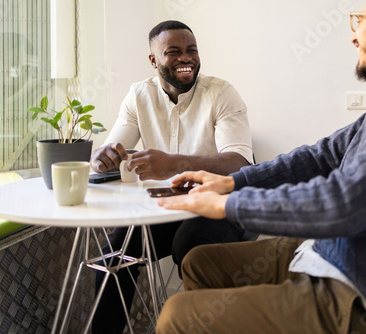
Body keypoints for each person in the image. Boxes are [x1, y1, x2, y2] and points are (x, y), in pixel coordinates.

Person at [155, 0, 366, 333]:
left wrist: (227, 205)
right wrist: (233, 183)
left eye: (360, 21)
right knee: (199, 262)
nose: (353, 37)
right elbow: (320, 156)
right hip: (331, 254)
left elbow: (344, 203)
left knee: (177, 315)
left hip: (363, 295)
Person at [90, 20, 253, 333]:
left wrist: (174, 164)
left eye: (191, 50)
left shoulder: (221, 93)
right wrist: (103, 158)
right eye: (174, 52)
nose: (186, 58)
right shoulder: (138, 96)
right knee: (114, 256)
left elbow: (240, 163)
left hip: (217, 208)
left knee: (192, 245)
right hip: (164, 210)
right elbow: (114, 149)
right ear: (154, 60)